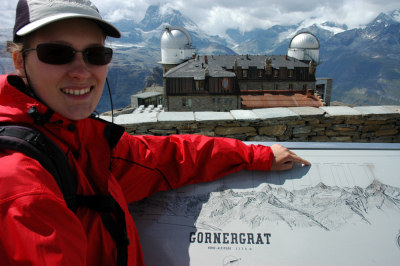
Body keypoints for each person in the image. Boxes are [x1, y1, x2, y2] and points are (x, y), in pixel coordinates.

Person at [0, 0, 310, 265]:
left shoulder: (80, 143)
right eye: (56, 53)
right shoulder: (24, 190)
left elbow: (166, 157)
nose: (81, 70)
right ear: (19, 61)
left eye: (95, 54)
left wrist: (256, 154)